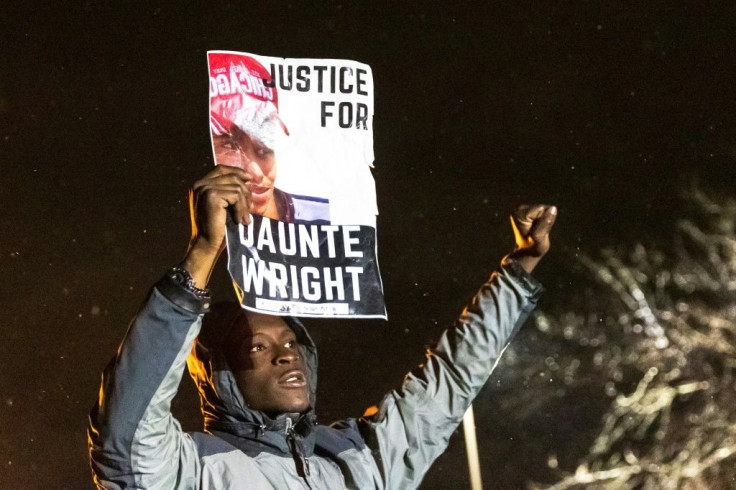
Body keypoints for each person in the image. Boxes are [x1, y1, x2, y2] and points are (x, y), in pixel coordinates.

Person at [88, 165, 557, 489]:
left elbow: (450, 381)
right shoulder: (189, 470)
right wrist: (205, 251)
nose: (285, 352)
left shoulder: (356, 460)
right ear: (221, 376)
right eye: (257, 346)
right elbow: (126, 426)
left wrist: (518, 270)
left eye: (292, 340)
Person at [209, 54, 330, 224]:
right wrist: (208, 245)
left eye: (263, 146)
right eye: (231, 146)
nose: (257, 174)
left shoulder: (323, 219)